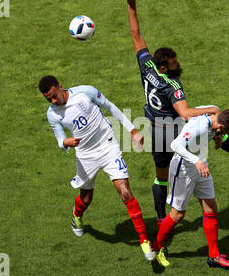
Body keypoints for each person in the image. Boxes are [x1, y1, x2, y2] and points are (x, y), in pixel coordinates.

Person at [126, 0, 229, 227]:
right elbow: (185, 113)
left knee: (160, 177)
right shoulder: (172, 85)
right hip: (175, 128)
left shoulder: (147, 66)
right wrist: (211, 108)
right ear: (164, 66)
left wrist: (131, 5)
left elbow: (135, 33)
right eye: (174, 63)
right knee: (212, 119)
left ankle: (161, 220)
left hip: (155, 130)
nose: (178, 64)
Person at [38, 75, 155, 262]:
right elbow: (60, 139)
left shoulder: (86, 92)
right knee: (86, 198)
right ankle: (77, 215)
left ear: (60, 86)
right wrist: (65, 142)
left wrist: (132, 129)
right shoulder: (53, 114)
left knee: (125, 192)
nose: (53, 101)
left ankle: (144, 241)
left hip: (108, 146)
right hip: (85, 156)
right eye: (48, 99)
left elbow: (110, 107)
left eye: (54, 95)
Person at [152, 108, 229, 269]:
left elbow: (207, 111)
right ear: (222, 127)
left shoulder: (214, 113)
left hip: (201, 166)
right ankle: (156, 249)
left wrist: (216, 136)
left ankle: (214, 256)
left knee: (211, 208)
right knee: (178, 214)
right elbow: (176, 145)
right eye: (225, 133)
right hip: (184, 169)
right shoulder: (199, 128)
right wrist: (196, 160)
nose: (225, 135)